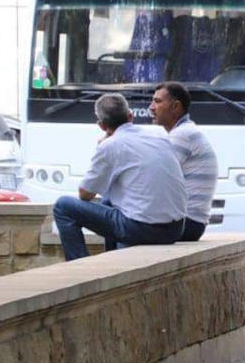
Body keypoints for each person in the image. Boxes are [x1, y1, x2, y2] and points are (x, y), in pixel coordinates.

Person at [53, 93, 187, 261]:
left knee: (63, 206)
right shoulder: (159, 135)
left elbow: (85, 194)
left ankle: (78, 264)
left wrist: (101, 146)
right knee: (108, 200)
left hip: (142, 228)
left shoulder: (109, 146)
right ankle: (114, 258)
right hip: (175, 229)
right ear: (130, 116)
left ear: (101, 126)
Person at [150, 81, 218, 241]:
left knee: (114, 213)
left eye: (158, 101)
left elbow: (153, 177)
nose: (151, 107)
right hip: (188, 222)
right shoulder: (184, 132)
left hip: (185, 223)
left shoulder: (182, 135)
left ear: (176, 107)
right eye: (152, 101)